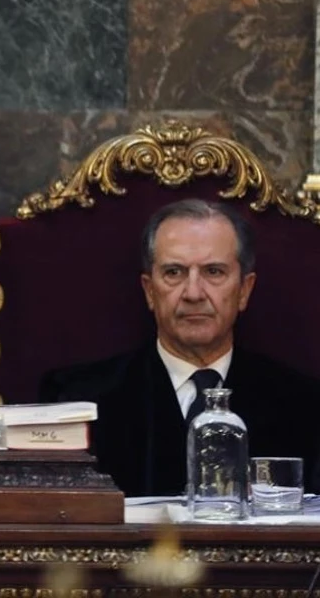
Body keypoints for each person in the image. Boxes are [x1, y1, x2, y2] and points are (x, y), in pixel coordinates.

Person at [41, 198, 320, 496]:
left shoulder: (305, 406)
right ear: (150, 291)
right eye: (174, 272)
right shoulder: (79, 401)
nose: (193, 293)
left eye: (214, 272)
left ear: (244, 290)